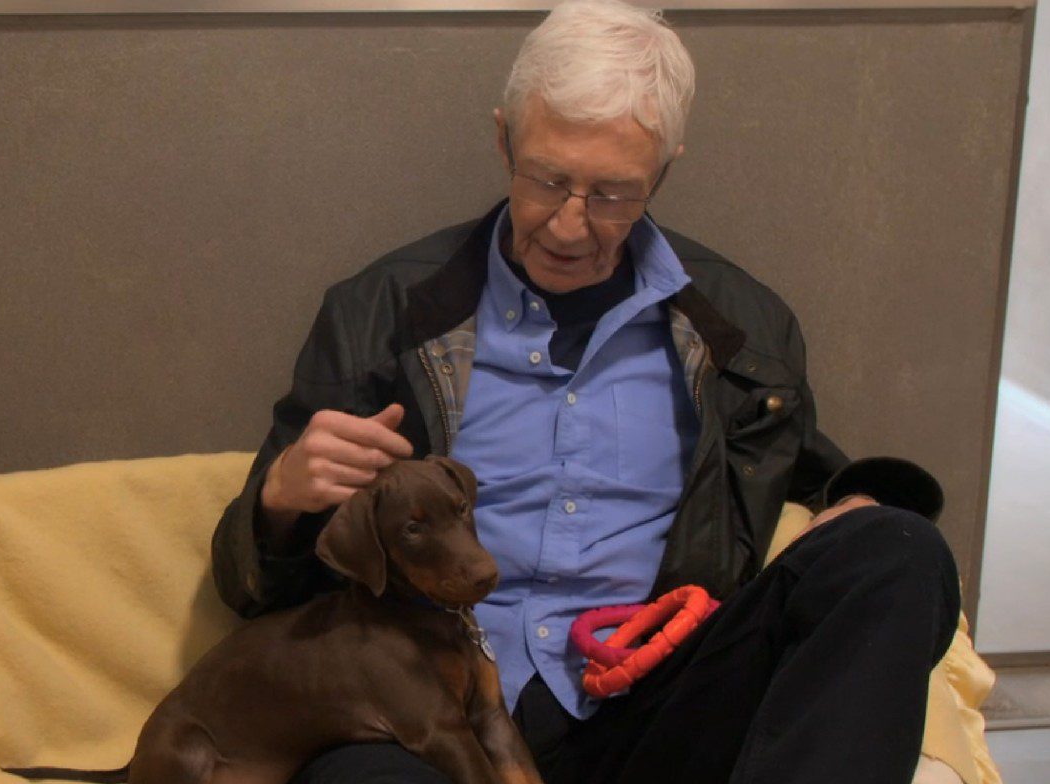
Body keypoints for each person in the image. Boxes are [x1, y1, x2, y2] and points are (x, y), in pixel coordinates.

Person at [212, 1, 959, 782]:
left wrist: (859, 501)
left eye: (612, 194)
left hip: (654, 703)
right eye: (547, 180)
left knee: (898, 549)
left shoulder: (739, 328)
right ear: (504, 140)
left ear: (663, 171)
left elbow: (803, 475)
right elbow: (257, 592)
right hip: (429, 707)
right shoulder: (383, 313)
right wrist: (280, 503)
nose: (570, 226)